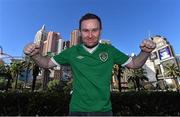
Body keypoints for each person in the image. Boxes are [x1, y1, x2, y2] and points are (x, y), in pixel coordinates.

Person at [24, 13, 156, 116]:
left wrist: (145, 52)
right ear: (80, 32)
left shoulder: (109, 50)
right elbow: (47, 63)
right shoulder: (71, 52)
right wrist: (35, 54)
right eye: (86, 30)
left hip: (103, 112)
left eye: (95, 30)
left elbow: (135, 63)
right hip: (76, 110)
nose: (90, 35)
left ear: (101, 31)